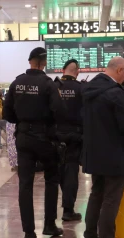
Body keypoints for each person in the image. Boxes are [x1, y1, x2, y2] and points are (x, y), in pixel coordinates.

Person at [3, 47, 66, 238]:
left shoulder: (17, 83)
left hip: (23, 138)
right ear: (44, 62)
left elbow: (8, 115)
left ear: (30, 61)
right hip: (45, 138)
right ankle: (49, 225)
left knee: (25, 184)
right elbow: (60, 112)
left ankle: (29, 232)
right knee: (51, 180)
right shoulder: (48, 84)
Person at [82, 57, 124, 238]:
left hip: (94, 152)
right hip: (114, 154)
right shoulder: (115, 92)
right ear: (120, 70)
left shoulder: (88, 89)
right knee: (111, 199)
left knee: (96, 194)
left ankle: (90, 233)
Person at [54, 59, 83, 221]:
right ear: (77, 71)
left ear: (62, 70)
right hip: (75, 137)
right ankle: (68, 209)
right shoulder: (80, 88)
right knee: (71, 173)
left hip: (55, 136)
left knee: (58, 172)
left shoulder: (53, 87)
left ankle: (57, 211)